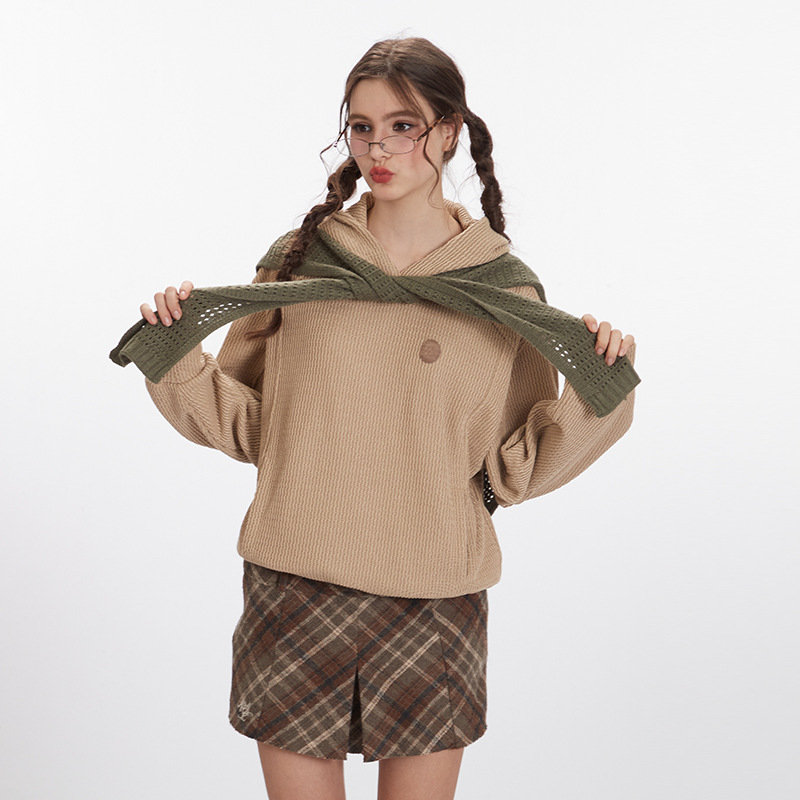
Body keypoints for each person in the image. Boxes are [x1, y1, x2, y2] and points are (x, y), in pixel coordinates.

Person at [136, 36, 636, 800]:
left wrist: (604, 385)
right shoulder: (301, 262)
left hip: (434, 597)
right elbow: (250, 425)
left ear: (449, 131)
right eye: (362, 127)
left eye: (403, 126)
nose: (378, 148)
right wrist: (174, 353)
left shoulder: (502, 290)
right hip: (295, 585)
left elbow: (515, 463)